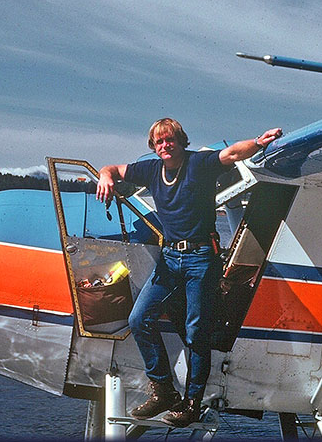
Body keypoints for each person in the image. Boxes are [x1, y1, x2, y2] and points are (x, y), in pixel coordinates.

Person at [97, 118, 282, 427]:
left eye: (169, 140)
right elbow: (112, 169)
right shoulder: (152, 170)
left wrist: (260, 143)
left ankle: (192, 403)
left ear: (180, 141)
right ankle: (163, 390)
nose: (164, 146)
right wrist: (104, 177)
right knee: (139, 318)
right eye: (158, 142)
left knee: (197, 333)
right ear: (153, 147)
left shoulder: (200, 163)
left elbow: (234, 154)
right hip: (169, 258)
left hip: (201, 259)